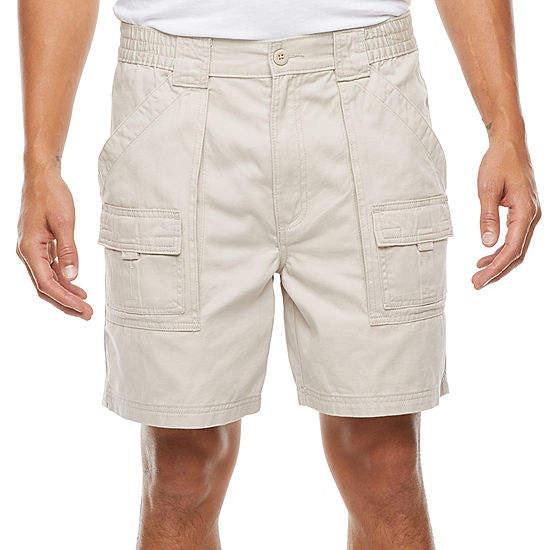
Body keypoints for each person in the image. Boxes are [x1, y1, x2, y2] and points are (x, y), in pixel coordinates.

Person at [16, 1, 540, 548]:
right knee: (182, 465)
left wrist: (506, 128)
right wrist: (40, 163)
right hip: (172, 101)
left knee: (385, 460)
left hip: (367, 90)